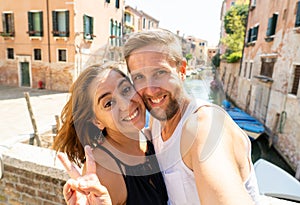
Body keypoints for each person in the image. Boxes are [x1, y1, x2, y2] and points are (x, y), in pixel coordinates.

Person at [123, 29, 260, 205]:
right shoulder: (159, 119)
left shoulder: (203, 128)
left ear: (182, 70)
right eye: (139, 77)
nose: (151, 90)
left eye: (160, 73)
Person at [52, 62, 168, 205]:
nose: (126, 105)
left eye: (126, 89)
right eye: (109, 103)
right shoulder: (103, 172)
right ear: (97, 121)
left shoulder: (150, 137)